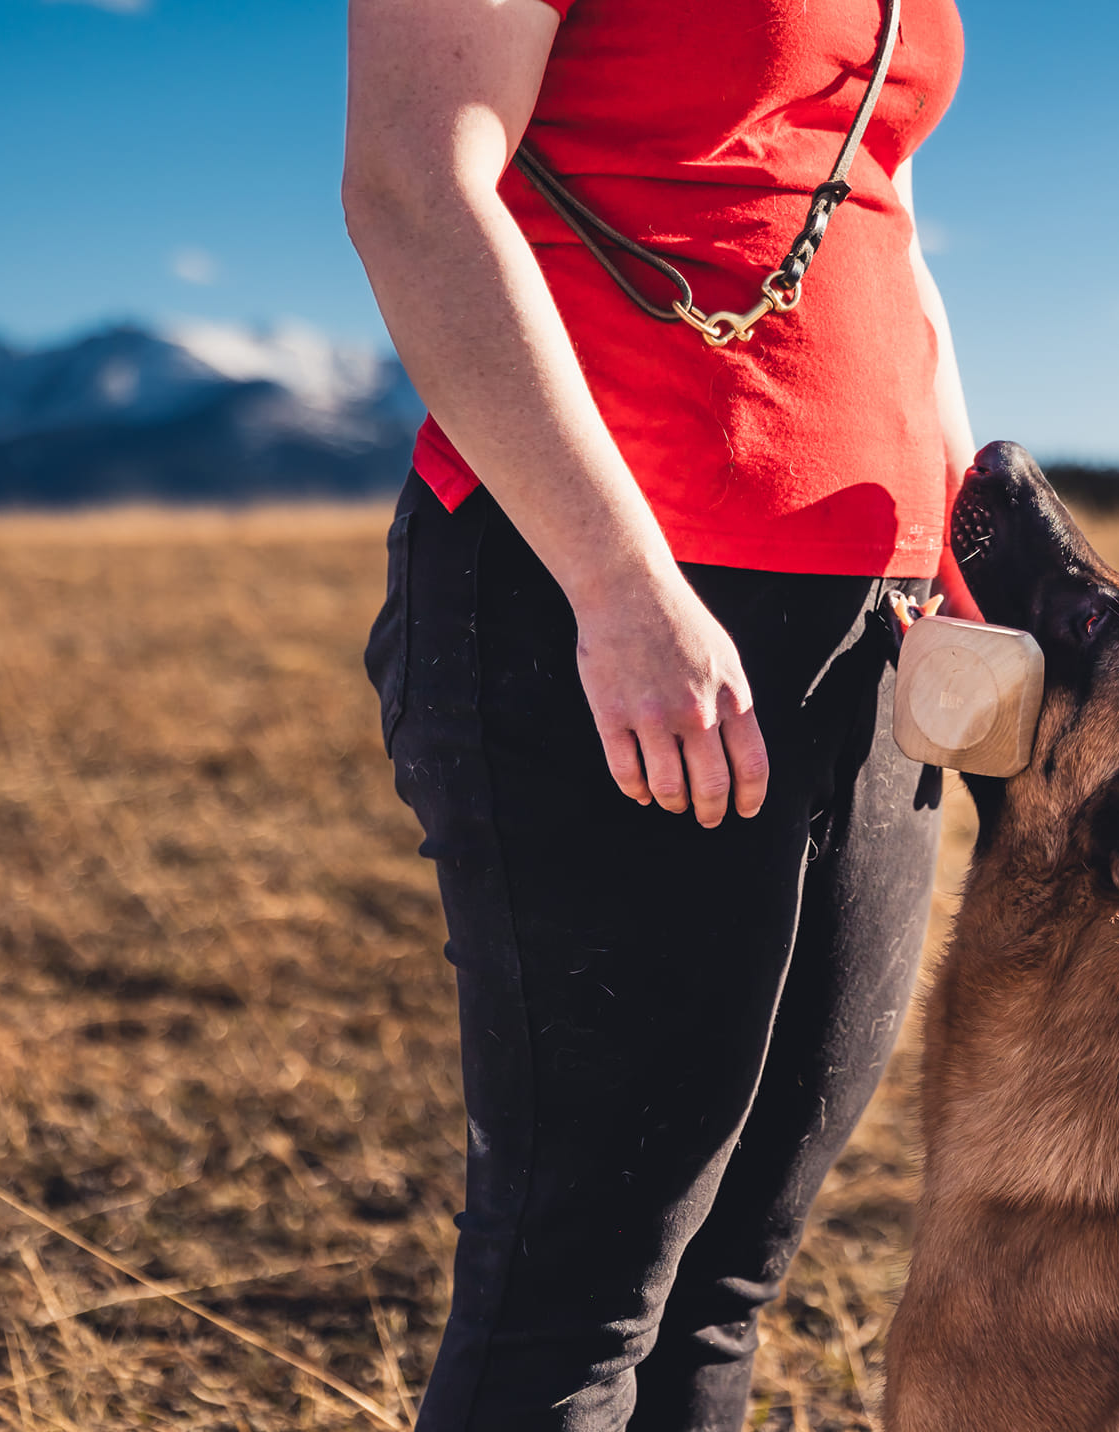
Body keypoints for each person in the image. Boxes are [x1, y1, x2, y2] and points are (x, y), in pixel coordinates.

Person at [341, 0, 972, 1428]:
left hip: (872, 613)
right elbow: (410, 183)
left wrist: (961, 566)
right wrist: (619, 583)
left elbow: (888, 233)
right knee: (583, 1286)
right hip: (607, 593)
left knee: (728, 1280)